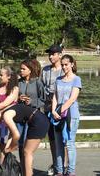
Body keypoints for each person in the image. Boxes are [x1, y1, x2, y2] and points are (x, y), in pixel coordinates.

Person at [51, 54, 82, 176]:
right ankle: (59, 170)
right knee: (58, 144)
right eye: (62, 65)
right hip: (57, 115)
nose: (64, 67)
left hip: (71, 115)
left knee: (69, 143)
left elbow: (72, 99)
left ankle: (70, 171)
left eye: (66, 65)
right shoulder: (58, 80)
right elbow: (55, 96)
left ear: (72, 64)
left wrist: (59, 110)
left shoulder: (76, 79)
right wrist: (54, 111)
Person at [1, 104, 49, 176]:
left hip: (38, 121)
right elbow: (12, 134)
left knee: (27, 152)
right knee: (26, 151)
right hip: (36, 120)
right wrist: (7, 149)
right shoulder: (6, 113)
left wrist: (11, 147)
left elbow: (16, 135)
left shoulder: (6, 116)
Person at [17, 59, 44, 173]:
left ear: (30, 70)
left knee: (27, 145)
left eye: (24, 69)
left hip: (32, 116)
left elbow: (43, 100)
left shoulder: (38, 82)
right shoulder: (19, 83)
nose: (21, 71)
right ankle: (23, 169)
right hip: (20, 117)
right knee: (20, 143)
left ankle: (28, 170)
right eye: (21, 68)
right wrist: (19, 98)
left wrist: (32, 102)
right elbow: (14, 96)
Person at [41, 44, 63, 175]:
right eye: (49, 54)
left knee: (62, 138)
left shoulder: (65, 69)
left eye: (53, 54)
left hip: (61, 105)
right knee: (52, 138)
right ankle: (55, 164)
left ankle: (63, 165)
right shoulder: (45, 70)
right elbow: (41, 88)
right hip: (47, 105)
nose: (50, 56)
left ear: (60, 55)